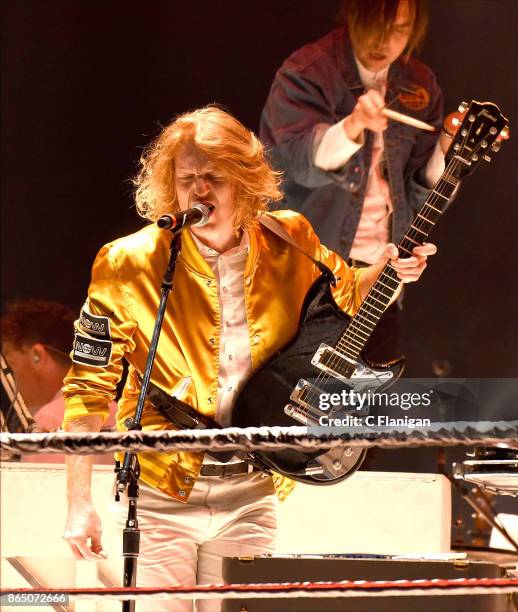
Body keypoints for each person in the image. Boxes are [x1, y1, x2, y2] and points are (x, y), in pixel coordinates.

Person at [62, 106, 436, 611]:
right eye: (186, 177)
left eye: (213, 176)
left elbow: (346, 291)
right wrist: (78, 502)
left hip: (252, 489)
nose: (199, 190)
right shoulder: (127, 263)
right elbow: (88, 386)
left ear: (242, 179)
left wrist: (392, 268)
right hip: (159, 491)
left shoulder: (291, 237)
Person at [260, 0, 459, 364]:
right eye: (377, 26)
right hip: (310, 278)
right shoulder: (307, 71)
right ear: (353, 14)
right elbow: (295, 162)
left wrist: (448, 148)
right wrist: (353, 126)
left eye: (400, 30)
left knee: (365, 408)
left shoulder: (420, 84)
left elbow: (419, 190)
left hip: (380, 275)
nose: (385, 41)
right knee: (285, 402)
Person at [1, 298, 115, 463]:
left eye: (11, 364)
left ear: (37, 357)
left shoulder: (51, 419)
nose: (11, 378)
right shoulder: (112, 408)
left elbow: (41, 488)